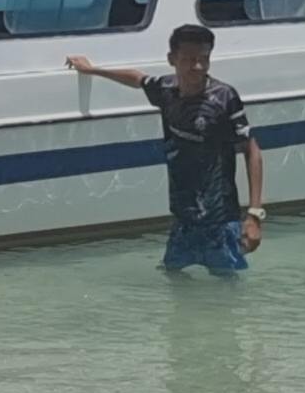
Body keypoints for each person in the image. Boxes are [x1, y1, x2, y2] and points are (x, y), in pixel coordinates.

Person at [66, 24, 267, 275]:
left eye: (204, 59)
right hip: (183, 218)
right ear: (172, 59)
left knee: (226, 284)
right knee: (171, 275)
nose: (198, 67)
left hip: (220, 218)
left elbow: (252, 150)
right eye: (189, 60)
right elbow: (137, 78)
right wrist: (92, 70)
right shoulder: (165, 90)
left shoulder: (224, 97)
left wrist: (254, 215)